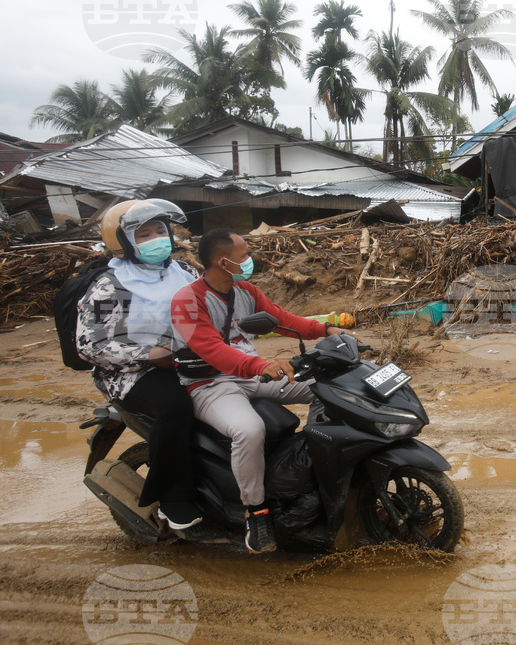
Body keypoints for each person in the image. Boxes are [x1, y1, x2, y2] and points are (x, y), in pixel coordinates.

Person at [170, 228, 352, 553]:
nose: (250, 258)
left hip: (252, 373)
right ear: (222, 262)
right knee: (249, 429)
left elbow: (282, 320)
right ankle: (255, 510)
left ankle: (316, 465)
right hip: (210, 384)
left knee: (328, 386)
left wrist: (326, 329)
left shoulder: (246, 290)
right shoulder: (187, 300)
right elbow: (210, 348)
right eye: (244, 255)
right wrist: (259, 365)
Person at [77, 199, 201, 530]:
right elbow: (91, 344)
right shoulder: (112, 285)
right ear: (126, 242)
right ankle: (173, 498)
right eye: (143, 234)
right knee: (175, 406)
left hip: (188, 360)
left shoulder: (185, 272)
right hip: (130, 373)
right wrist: (148, 354)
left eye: (160, 230)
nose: (155, 239)